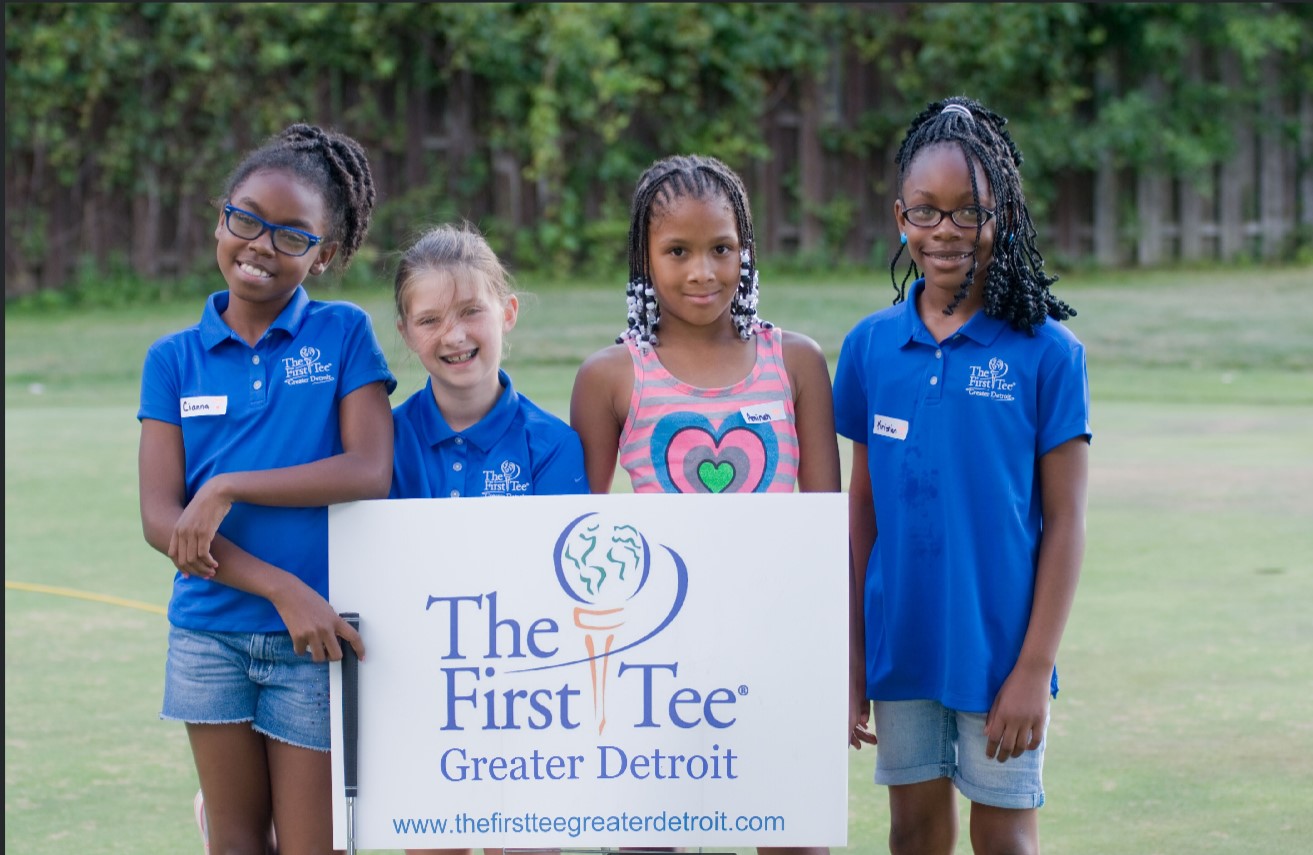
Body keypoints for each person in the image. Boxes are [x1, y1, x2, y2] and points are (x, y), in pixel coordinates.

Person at [835, 96, 1091, 855]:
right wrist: (852, 658)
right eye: (926, 210)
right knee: (913, 832)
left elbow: (1067, 521)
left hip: (1001, 651)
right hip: (902, 645)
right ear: (900, 218)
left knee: (1005, 837)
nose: (945, 229)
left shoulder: (1048, 353)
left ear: (1001, 218)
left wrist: (1034, 667)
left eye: (968, 211)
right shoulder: (870, 347)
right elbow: (861, 512)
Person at [570, 153, 840, 855]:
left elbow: (826, 535)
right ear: (644, 257)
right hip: (657, 659)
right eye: (678, 251)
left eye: (721, 248)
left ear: (745, 250)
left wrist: (842, 668)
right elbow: (579, 540)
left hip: (778, 651)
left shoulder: (796, 362)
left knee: (795, 841)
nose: (703, 271)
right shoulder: (610, 376)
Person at [137, 122, 395, 855]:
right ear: (220, 219)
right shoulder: (172, 359)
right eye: (245, 219)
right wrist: (280, 587)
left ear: (325, 254)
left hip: (311, 640)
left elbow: (368, 470)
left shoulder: (343, 334)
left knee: (314, 846)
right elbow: (161, 520)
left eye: (291, 236)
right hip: (209, 634)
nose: (260, 245)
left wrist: (226, 486)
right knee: (235, 840)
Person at [388, 222, 587, 855]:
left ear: (508, 312)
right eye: (430, 320)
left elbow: (562, 588)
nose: (454, 335)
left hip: (530, 697)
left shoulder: (551, 445)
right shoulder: (382, 441)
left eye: (472, 311)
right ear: (406, 333)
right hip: (421, 693)